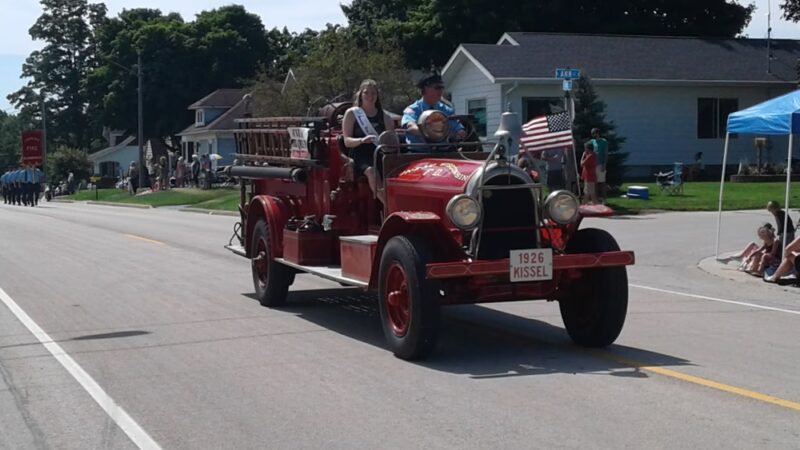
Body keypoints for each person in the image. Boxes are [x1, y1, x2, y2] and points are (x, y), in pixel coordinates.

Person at [341, 79, 396, 193]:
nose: (370, 96)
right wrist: (362, 140)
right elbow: (347, 141)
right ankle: (387, 203)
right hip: (360, 154)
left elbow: (391, 140)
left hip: (380, 153)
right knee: (371, 171)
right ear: (360, 94)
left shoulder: (385, 116)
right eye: (366, 92)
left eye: (373, 93)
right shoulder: (352, 113)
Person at [401, 74, 465, 149]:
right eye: (437, 87)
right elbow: (411, 126)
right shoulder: (413, 109)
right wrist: (430, 133)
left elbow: (458, 128)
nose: (441, 91)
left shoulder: (447, 110)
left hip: (444, 152)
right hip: (418, 153)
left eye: (442, 88)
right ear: (426, 88)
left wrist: (460, 133)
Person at [591, 128, 608, 204]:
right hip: (593, 165)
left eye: (594, 133)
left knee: (602, 182)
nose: (593, 135)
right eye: (592, 134)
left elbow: (606, 153)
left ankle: (604, 199)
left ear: (597, 133)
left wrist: (604, 164)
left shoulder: (604, 141)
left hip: (600, 164)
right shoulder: (592, 141)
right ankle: (597, 199)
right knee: (595, 183)